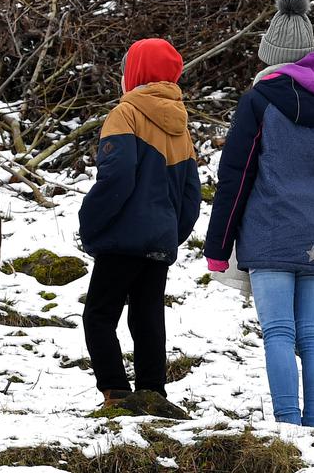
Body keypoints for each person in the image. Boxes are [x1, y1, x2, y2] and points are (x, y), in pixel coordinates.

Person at [204, 0, 314, 429]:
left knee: (280, 334)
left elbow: (237, 175)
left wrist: (217, 245)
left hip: (269, 233)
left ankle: (289, 426)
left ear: (271, 55)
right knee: (313, 336)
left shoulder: (259, 102)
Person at [76, 38, 201, 407]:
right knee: (148, 318)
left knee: (99, 315)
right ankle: (152, 392)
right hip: (159, 240)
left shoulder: (125, 114)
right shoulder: (181, 124)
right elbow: (191, 195)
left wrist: (91, 223)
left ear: (135, 71)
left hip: (121, 238)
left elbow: (116, 179)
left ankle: (115, 391)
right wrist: (170, 233)